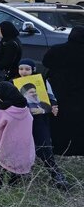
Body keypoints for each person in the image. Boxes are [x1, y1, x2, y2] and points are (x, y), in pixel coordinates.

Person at [15, 59, 69, 190]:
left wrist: (54, 105)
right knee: (21, 145)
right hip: (22, 120)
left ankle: (56, 174)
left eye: (27, 69)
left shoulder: (42, 81)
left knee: (44, 145)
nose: (24, 72)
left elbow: (50, 96)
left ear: (33, 69)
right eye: (21, 69)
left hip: (40, 119)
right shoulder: (14, 82)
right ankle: (18, 174)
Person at [42, 26, 84, 156]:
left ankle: (58, 147)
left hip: (59, 88)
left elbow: (46, 62)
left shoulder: (57, 49)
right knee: (78, 119)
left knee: (58, 116)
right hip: (79, 92)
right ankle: (77, 148)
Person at [0, 82, 34, 188]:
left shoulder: (4, 110)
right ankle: (13, 185)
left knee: (3, 163)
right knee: (18, 167)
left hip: (8, 143)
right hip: (25, 144)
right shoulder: (26, 108)